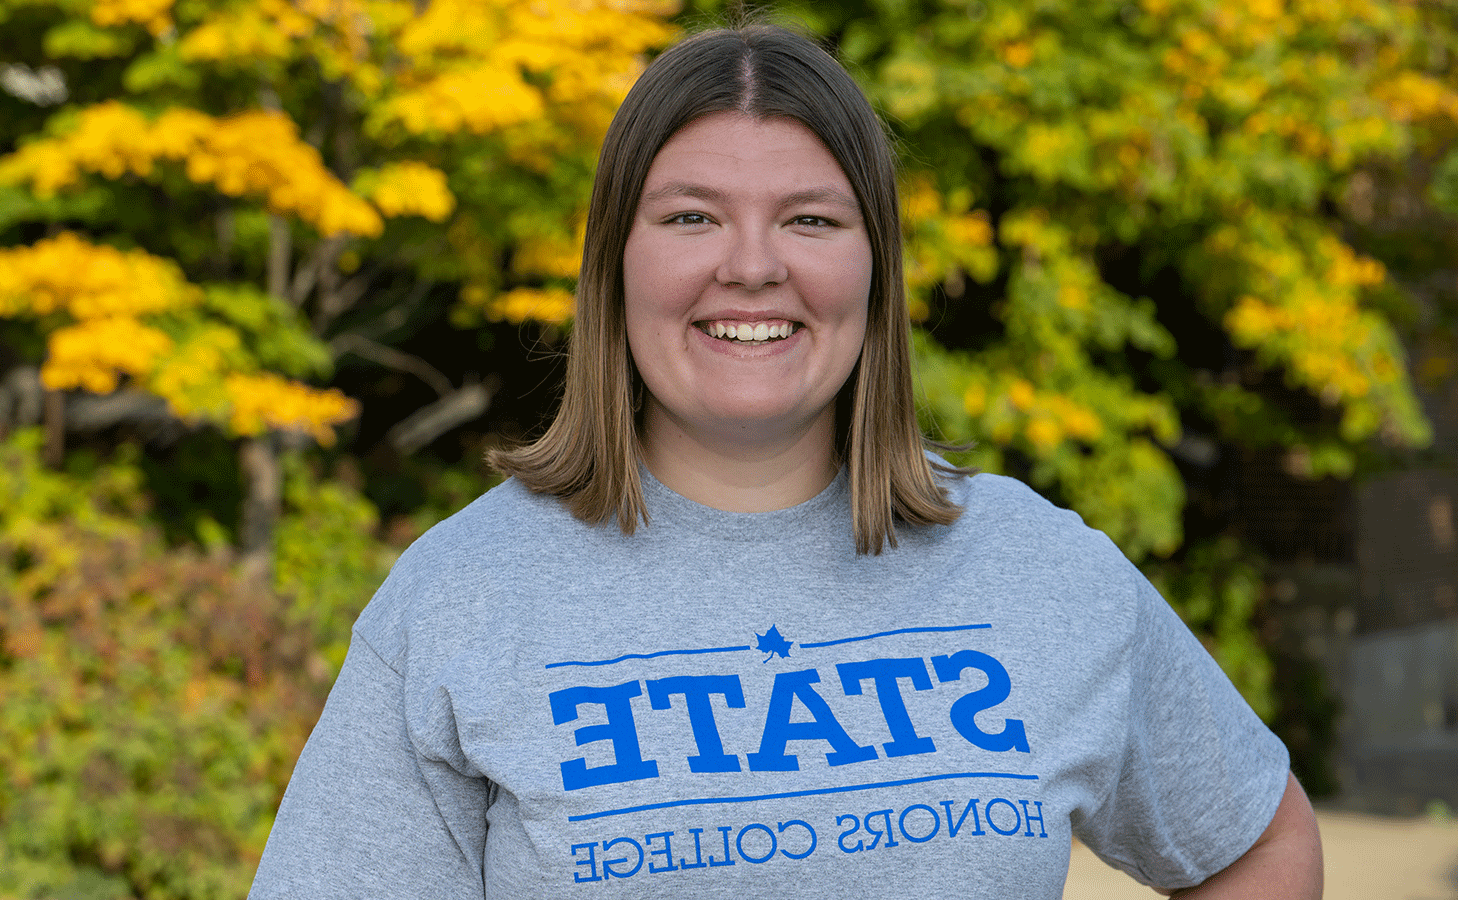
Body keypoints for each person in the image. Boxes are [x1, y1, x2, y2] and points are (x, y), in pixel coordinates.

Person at [247, 24, 1322, 899]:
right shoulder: (460, 600)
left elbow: (1259, 846)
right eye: (691, 217)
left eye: (809, 218)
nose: (751, 266)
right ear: (615, 265)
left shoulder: (1041, 572)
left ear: (874, 269)